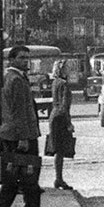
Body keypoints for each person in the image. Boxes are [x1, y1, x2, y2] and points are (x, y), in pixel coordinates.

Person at [0, 46, 53, 207]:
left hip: (9, 133)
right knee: (28, 174)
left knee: (13, 173)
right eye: (21, 58)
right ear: (11, 60)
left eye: (27, 58)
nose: (25, 61)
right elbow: (19, 111)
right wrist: (24, 138)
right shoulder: (17, 80)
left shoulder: (7, 77)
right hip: (21, 134)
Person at [46, 59, 75, 190]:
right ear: (62, 69)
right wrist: (69, 123)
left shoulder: (55, 82)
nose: (69, 70)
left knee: (58, 149)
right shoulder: (64, 84)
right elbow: (64, 105)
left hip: (54, 116)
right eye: (67, 68)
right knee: (61, 149)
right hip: (61, 118)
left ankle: (59, 177)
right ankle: (59, 178)